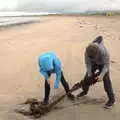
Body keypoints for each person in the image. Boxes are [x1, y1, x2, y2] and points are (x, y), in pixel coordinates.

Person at [77, 36, 115, 109]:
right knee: (86, 79)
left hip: (102, 64)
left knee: (107, 81)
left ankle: (111, 99)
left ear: (98, 53)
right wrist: (89, 75)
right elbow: (88, 64)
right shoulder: (87, 51)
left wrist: (101, 75)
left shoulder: (104, 52)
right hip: (92, 64)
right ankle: (85, 91)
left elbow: (106, 65)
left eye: (94, 57)